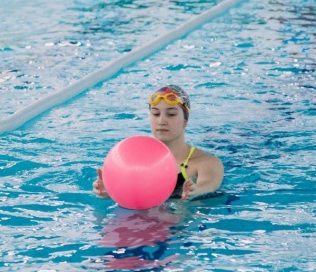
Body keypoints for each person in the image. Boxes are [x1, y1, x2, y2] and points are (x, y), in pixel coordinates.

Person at [93, 85, 224, 201]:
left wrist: (195, 191)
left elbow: (209, 183)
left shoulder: (206, 162)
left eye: (171, 114)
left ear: (185, 121)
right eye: (155, 114)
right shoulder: (136, 160)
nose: (161, 121)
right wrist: (110, 191)